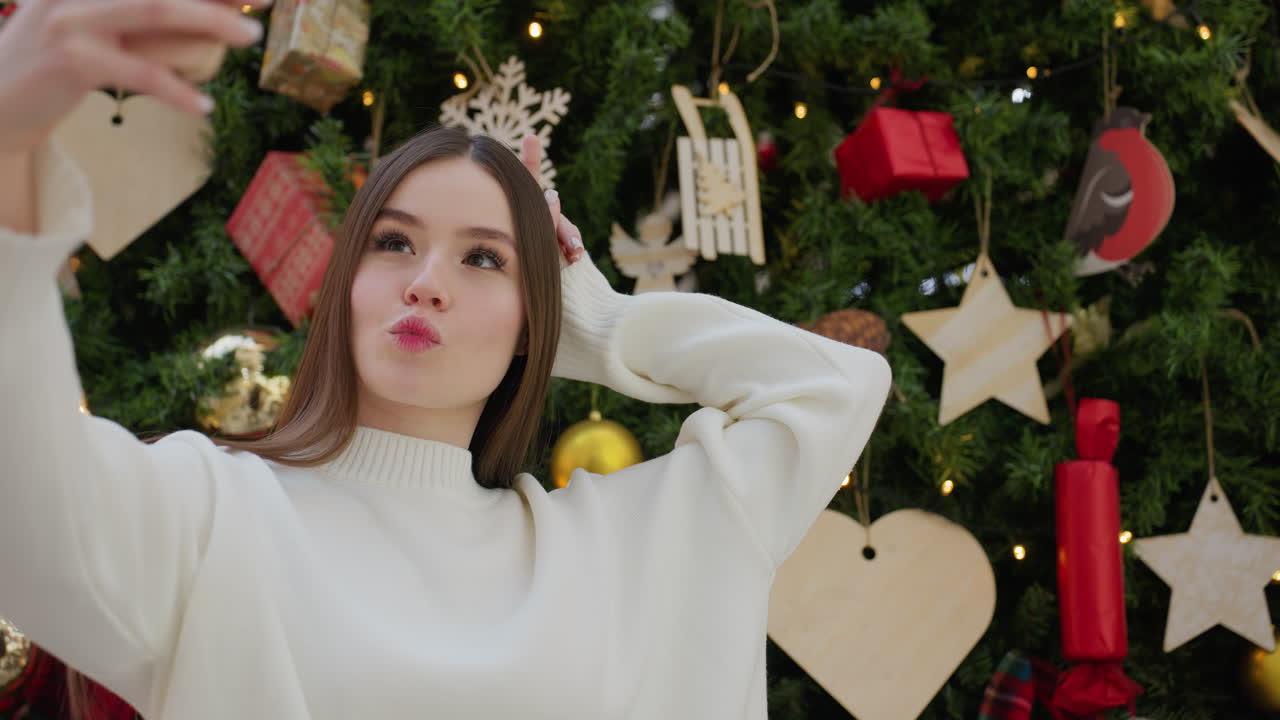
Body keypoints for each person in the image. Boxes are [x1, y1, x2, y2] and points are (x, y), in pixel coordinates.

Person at [0, 0, 892, 718]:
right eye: (394, 243)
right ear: (346, 283)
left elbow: (835, 385)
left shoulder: (632, 546)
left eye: (483, 258)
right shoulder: (210, 509)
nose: (427, 282)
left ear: (531, 321)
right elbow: (21, 504)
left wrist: (598, 322)